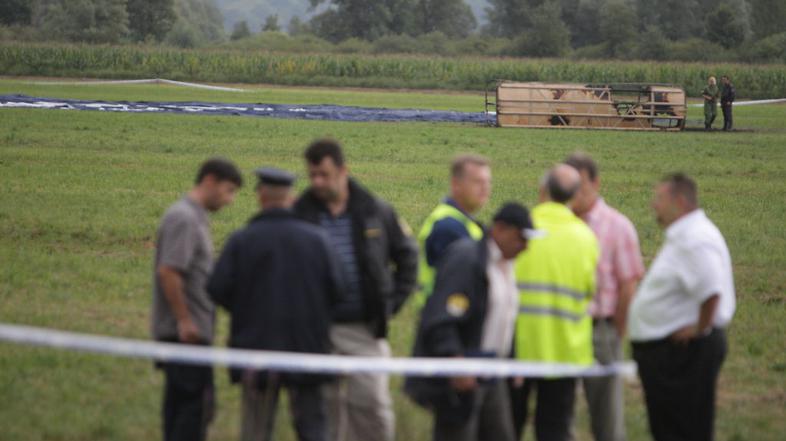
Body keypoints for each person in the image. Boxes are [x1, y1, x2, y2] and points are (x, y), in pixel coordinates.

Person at [294, 139, 419, 441]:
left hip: (365, 331)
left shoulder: (375, 210)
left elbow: (408, 257)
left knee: (372, 409)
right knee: (325, 415)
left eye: (324, 174)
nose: (317, 182)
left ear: (343, 170)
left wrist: (389, 304)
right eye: (312, 175)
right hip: (317, 332)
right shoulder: (300, 213)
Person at [207, 167, 343, 441]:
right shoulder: (318, 240)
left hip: (255, 352)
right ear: (291, 198)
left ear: (260, 197)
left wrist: (246, 309)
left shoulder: (242, 240)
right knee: (313, 429)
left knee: (257, 429)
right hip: (307, 350)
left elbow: (217, 289)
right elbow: (339, 290)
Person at [405, 203, 539, 441]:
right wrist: (456, 362)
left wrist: (512, 360)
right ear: (500, 229)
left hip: (493, 372)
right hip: (464, 370)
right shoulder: (467, 260)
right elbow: (442, 317)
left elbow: (504, 318)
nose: (526, 247)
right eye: (521, 238)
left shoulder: (506, 265)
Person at [629, 173, 736, 441]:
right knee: (670, 429)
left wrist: (699, 329)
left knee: (683, 429)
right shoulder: (686, 235)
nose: (654, 205)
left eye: (659, 199)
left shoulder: (695, 239)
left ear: (679, 202)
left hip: (684, 354)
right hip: (674, 353)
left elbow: (712, 292)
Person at [151, 157, 243, 441]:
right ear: (209, 181)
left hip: (191, 334)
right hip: (186, 336)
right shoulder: (185, 218)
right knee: (194, 411)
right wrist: (185, 321)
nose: (230, 200)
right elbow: (168, 271)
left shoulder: (195, 216)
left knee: (186, 408)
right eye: (228, 191)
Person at [510, 164, 599, 441]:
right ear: (574, 195)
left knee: (508, 425)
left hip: (518, 347)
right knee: (555, 429)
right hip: (565, 350)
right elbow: (590, 290)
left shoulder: (521, 228)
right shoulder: (585, 236)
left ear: (542, 190)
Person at [565, 153, 645, 441]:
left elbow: (628, 286)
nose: (576, 193)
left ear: (596, 183)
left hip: (601, 330)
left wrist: (616, 332)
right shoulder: (559, 226)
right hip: (563, 331)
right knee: (561, 418)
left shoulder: (617, 226)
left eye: (582, 185)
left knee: (607, 420)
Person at [415, 154, 491, 306]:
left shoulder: (463, 222)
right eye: (477, 182)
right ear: (456, 184)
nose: (485, 188)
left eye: (488, 182)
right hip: (446, 320)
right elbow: (458, 284)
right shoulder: (448, 227)